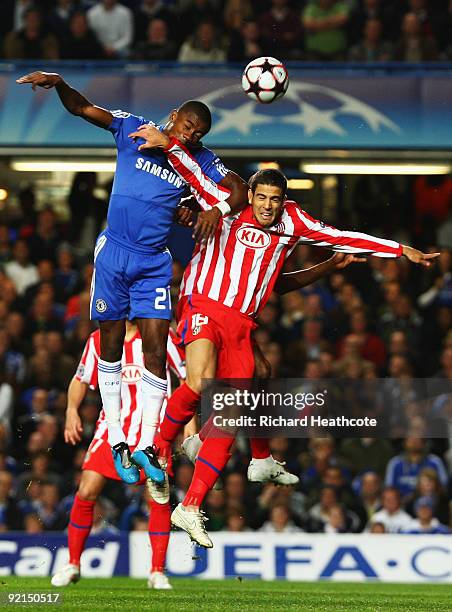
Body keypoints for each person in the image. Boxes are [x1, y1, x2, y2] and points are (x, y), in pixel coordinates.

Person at [124, 162, 435, 548]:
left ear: (283, 201)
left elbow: (340, 237)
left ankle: (191, 503)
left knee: (235, 406)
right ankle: (156, 449)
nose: (268, 206)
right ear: (250, 196)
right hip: (203, 302)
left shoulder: (294, 223)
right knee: (200, 381)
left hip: (242, 324)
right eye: (262, 198)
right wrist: (169, 146)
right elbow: (188, 183)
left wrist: (398, 250)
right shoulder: (228, 206)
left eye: (275, 199)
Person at [17, 70, 248, 486]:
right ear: (174, 116)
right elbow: (85, 109)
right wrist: (60, 84)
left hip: (153, 262)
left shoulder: (198, 159)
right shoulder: (133, 127)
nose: (192, 135)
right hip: (113, 255)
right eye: (187, 126)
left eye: (198, 132)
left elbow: (238, 189)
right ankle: (119, 442)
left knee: (156, 348)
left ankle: (145, 443)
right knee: (110, 345)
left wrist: (215, 210)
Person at [51, 320, 186, 589]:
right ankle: (73, 564)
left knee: (157, 496)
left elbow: (185, 377)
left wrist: (188, 420)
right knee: (87, 489)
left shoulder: (160, 334)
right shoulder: (100, 339)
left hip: (154, 428)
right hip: (113, 429)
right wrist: (71, 411)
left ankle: (157, 572)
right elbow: (80, 378)